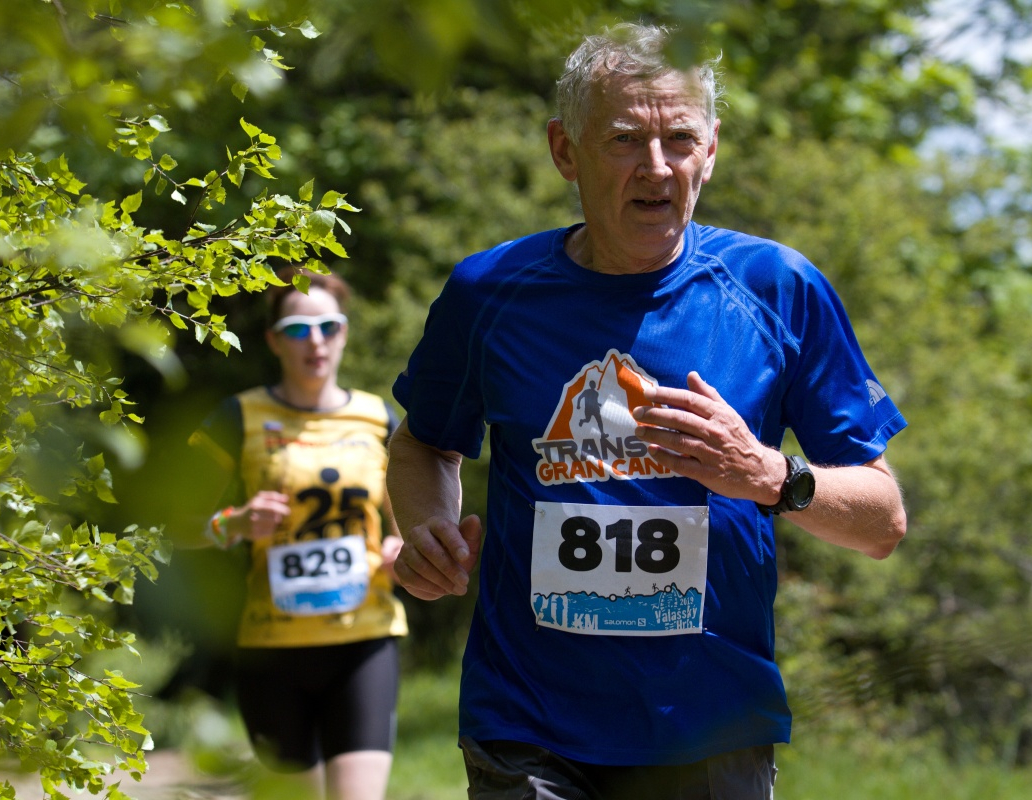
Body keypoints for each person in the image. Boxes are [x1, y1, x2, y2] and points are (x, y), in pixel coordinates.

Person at [386, 22, 907, 800]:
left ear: (712, 150)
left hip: (709, 726)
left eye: (680, 139)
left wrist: (769, 475)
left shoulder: (778, 289)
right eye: (625, 139)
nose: (657, 166)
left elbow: (882, 521)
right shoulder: (489, 294)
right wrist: (428, 529)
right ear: (565, 151)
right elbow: (425, 443)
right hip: (527, 721)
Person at [188, 267, 407, 800]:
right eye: (297, 330)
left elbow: (408, 524)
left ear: (344, 333)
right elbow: (173, 524)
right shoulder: (237, 416)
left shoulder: (379, 418)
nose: (315, 341)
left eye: (329, 327)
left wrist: (402, 549)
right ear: (273, 340)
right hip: (271, 651)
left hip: (364, 640)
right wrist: (233, 523)